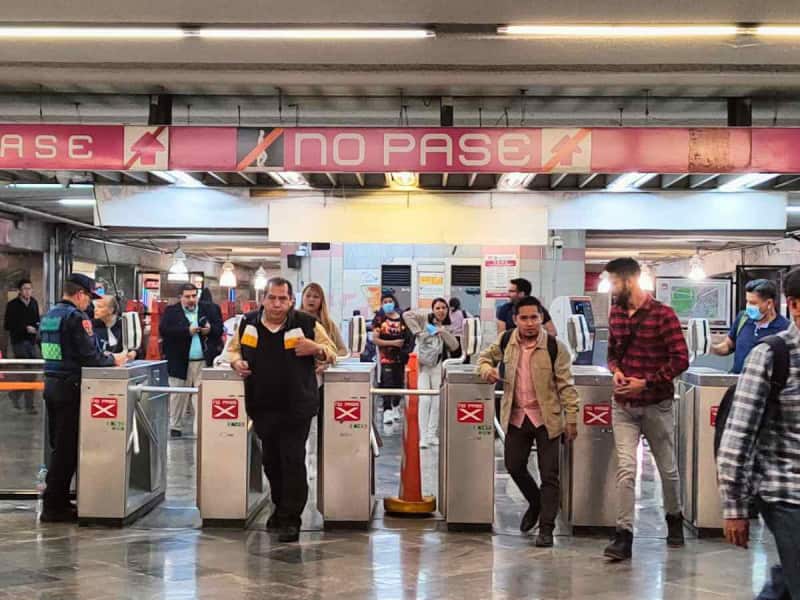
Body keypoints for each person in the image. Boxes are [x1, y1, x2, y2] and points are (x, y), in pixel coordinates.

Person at [225, 277, 337, 543]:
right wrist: (236, 362)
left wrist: (316, 349)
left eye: (283, 299)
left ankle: (291, 518)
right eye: (272, 298)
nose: (277, 304)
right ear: (263, 298)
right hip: (262, 404)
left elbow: (332, 352)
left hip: (297, 405)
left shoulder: (307, 324)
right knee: (271, 462)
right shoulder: (248, 323)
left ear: (291, 301)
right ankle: (279, 507)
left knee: (292, 460)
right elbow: (232, 351)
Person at [717, 267, 800, 600]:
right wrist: (734, 507)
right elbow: (738, 437)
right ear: (794, 305)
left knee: (786, 582)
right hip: (787, 493)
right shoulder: (772, 355)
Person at [603, 257, 690, 561]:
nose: (611, 289)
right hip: (623, 405)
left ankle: (674, 518)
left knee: (667, 469)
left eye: (614, 282)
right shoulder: (615, 312)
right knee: (626, 469)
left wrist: (647, 382)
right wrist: (615, 370)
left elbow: (681, 359)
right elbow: (612, 352)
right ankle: (623, 535)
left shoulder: (663, 314)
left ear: (630, 280)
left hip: (657, 404)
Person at [478, 296, 579, 547]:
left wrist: (572, 419)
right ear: (515, 320)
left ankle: (546, 528)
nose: (530, 323)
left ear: (542, 318)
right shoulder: (506, 341)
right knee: (513, 465)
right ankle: (535, 502)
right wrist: (486, 370)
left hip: (547, 419)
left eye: (534, 317)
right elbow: (483, 358)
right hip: (516, 417)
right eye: (524, 318)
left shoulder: (556, 347)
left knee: (549, 475)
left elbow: (566, 386)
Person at [39, 274, 130, 523]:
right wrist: (115, 360)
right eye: (89, 297)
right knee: (67, 449)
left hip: (52, 384)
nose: (89, 303)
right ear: (80, 294)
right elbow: (91, 357)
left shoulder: (50, 315)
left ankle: (56, 499)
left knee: (59, 445)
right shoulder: (76, 318)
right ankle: (54, 506)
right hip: (71, 387)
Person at [160, 283, 222, 438]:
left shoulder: (210, 310)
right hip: (180, 362)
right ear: (180, 297)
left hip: (203, 362)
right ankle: (175, 427)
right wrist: (186, 331)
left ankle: (199, 429)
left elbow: (219, 328)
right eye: (187, 296)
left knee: (201, 397)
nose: (191, 299)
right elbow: (165, 331)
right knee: (178, 396)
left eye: (194, 296)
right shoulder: (171, 312)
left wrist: (210, 330)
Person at [403, 298, 460, 448]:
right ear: (433, 309)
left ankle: (431, 434)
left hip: (438, 366)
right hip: (421, 365)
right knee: (425, 399)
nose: (441, 311)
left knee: (436, 401)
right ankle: (423, 437)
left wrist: (442, 332)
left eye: (444, 308)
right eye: (438, 308)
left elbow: (454, 346)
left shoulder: (448, 326)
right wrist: (420, 332)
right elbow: (407, 315)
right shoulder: (424, 320)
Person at [711, 278, 790, 374]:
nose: (748, 306)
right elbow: (728, 346)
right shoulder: (742, 318)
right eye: (747, 302)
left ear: (769, 303)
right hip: (738, 382)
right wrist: (710, 348)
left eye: (753, 303)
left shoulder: (785, 329)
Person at [372, 292, 414, 426]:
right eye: (384, 302)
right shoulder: (379, 319)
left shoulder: (402, 318)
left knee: (398, 382)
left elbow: (409, 336)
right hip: (386, 357)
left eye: (390, 301)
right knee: (387, 382)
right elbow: (375, 339)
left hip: (401, 357)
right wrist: (392, 343)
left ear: (394, 302)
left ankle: (396, 406)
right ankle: (387, 410)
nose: (388, 304)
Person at [3, 278, 40, 413]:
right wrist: (25, 328)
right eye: (25, 289)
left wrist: (37, 328)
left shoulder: (34, 303)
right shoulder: (13, 305)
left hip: (31, 342)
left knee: (32, 373)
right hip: (18, 341)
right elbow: (7, 325)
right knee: (27, 372)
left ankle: (16, 393)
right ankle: (29, 406)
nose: (28, 291)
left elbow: (37, 320)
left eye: (30, 289)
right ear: (19, 291)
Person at [301, 282, 349, 358]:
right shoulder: (293, 321)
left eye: (316, 297)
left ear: (321, 301)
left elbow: (343, 350)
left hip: (326, 368)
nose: (311, 299)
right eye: (308, 296)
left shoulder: (329, 324)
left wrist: (328, 357)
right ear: (302, 298)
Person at [199, 287, 225, 364]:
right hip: (214, 346)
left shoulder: (198, 307)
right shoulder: (216, 307)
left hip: (202, 347)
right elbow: (220, 328)